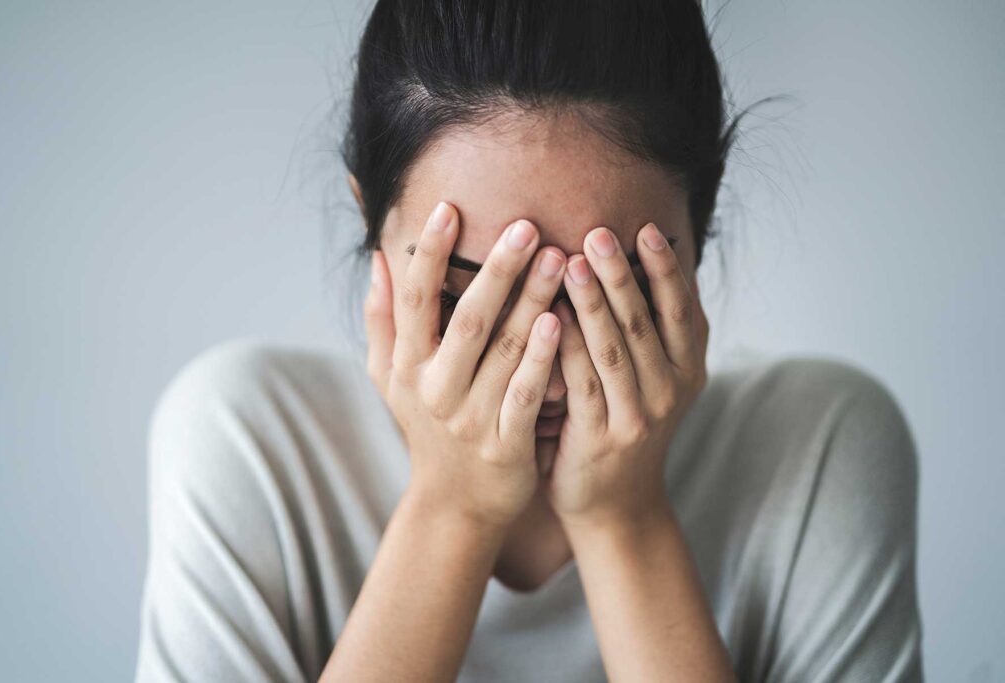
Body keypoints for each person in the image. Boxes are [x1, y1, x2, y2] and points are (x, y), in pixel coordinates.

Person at [134, 1, 924, 681]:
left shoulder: (821, 445)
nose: (543, 377)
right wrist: (452, 508)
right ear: (372, 224)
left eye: (613, 294)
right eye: (472, 294)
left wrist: (626, 520)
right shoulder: (248, 443)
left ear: (700, 231)